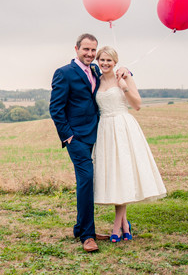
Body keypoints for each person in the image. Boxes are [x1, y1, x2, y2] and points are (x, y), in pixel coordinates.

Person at [49, 33, 128, 253]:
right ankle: (87, 236)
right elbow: (55, 108)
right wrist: (68, 136)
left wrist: (127, 71)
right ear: (76, 49)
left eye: (93, 50)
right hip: (76, 138)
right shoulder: (64, 73)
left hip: (96, 134)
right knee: (86, 180)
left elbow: (112, 74)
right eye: (86, 50)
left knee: (89, 182)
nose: (90, 54)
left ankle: (79, 227)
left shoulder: (94, 70)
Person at [92, 46, 167, 243]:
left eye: (109, 60)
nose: (105, 64)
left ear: (115, 62)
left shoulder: (124, 77)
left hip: (123, 127)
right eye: (102, 60)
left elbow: (137, 105)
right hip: (105, 129)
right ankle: (125, 224)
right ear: (98, 61)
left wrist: (124, 85)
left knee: (123, 173)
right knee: (115, 175)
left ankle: (117, 226)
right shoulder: (96, 80)